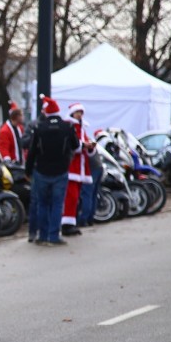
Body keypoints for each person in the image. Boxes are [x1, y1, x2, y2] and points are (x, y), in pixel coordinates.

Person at [25, 95, 79, 246]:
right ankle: (54, 236)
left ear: (46, 112)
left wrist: (28, 171)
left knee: (42, 204)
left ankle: (42, 236)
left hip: (41, 171)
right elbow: (76, 146)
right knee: (57, 204)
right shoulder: (67, 127)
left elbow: (32, 152)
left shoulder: (39, 128)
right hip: (61, 171)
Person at [61, 103, 94, 236]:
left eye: (81, 112)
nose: (79, 114)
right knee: (71, 196)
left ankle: (71, 222)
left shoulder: (81, 128)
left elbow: (83, 144)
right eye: (77, 112)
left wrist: (90, 147)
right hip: (72, 167)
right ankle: (67, 224)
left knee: (75, 198)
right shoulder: (70, 127)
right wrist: (83, 146)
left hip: (80, 167)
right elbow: (72, 145)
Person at [78, 129, 104, 227]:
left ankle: (83, 219)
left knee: (87, 194)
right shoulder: (88, 139)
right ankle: (90, 218)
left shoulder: (83, 141)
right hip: (98, 167)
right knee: (93, 194)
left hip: (91, 169)